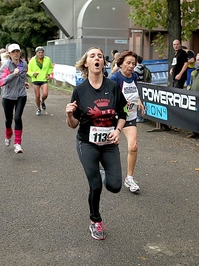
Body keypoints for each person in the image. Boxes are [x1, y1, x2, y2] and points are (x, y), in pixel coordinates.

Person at [65, 47, 127, 240]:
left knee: (115, 186)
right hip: (87, 142)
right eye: (92, 56)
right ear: (86, 63)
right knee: (95, 185)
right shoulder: (80, 90)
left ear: (103, 63)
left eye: (99, 56)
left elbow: (123, 114)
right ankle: (95, 220)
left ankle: (102, 172)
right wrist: (69, 114)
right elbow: (73, 124)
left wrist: (117, 131)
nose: (97, 58)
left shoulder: (113, 87)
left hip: (109, 142)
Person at [110, 50, 144, 193]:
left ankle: (129, 178)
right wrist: (122, 103)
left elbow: (134, 93)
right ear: (121, 63)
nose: (131, 66)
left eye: (133, 64)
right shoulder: (114, 78)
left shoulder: (134, 76)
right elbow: (108, 99)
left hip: (129, 118)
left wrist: (139, 101)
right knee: (107, 148)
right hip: (115, 119)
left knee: (133, 147)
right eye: (128, 63)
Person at [0, 44, 30, 154]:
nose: (16, 53)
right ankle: (8, 133)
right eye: (13, 52)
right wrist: (13, 74)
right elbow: (1, 82)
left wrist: (25, 83)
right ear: (10, 54)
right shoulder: (6, 65)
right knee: (8, 119)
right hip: (8, 96)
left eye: (17, 51)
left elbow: (23, 77)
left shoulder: (24, 64)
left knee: (17, 118)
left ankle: (17, 144)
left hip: (21, 95)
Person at [27, 46, 54, 116]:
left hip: (44, 79)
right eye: (39, 52)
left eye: (42, 52)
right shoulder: (32, 60)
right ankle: (38, 109)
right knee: (37, 96)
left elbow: (51, 67)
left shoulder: (47, 59)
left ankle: (42, 101)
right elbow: (28, 71)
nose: (41, 54)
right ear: (36, 53)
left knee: (45, 94)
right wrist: (33, 74)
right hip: (36, 79)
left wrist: (48, 74)